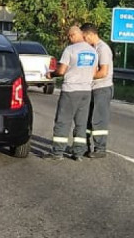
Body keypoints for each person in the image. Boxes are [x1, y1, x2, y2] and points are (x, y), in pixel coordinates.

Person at [49, 23, 97, 161]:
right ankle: (78, 153)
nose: (69, 39)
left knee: (63, 121)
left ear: (73, 35)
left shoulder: (70, 50)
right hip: (86, 91)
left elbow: (61, 71)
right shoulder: (93, 51)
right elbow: (94, 73)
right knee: (81, 123)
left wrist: (51, 74)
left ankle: (57, 152)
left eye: (69, 36)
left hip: (71, 90)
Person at [81, 23, 114, 158]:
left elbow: (103, 72)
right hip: (92, 87)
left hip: (102, 88)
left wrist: (85, 74)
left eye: (84, 37)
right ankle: (85, 147)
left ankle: (100, 148)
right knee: (87, 119)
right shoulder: (92, 48)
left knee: (99, 119)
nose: (84, 40)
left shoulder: (102, 49)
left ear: (90, 35)